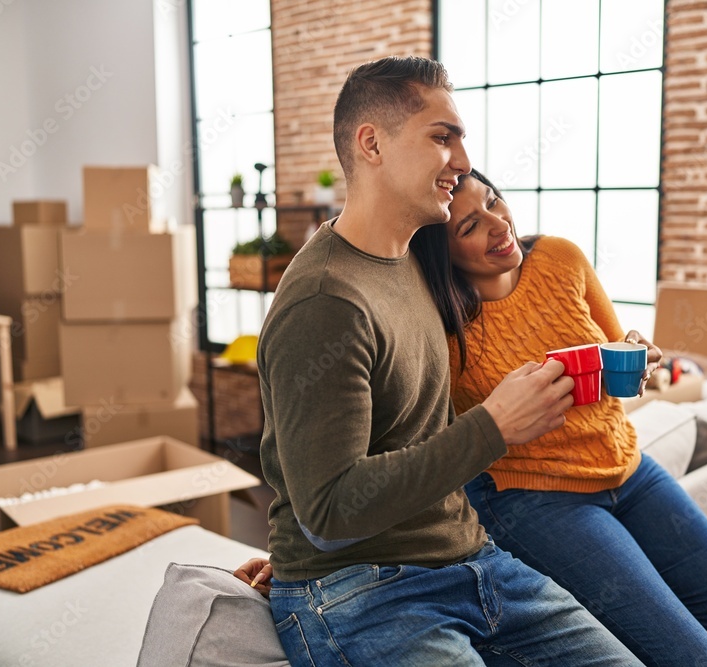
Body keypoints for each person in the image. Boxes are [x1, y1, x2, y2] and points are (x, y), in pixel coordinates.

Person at [236, 56, 643, 667]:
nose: (462, 160)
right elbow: (328, 511)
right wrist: (494, 426)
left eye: (460, 140)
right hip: (361, 591)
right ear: (371, 144)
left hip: (474, 564)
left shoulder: (410, 265)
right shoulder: (324, 301)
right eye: (441, 137)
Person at [404, 168, 707, 666]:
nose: (499, 224)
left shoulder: (560, 258)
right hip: (533, 498)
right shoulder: (436, 318)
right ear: (443, 253)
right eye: (470, 226)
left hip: (629, 469)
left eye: (494, 201)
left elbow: (615, 347)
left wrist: (640, 354)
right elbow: (414, 435)